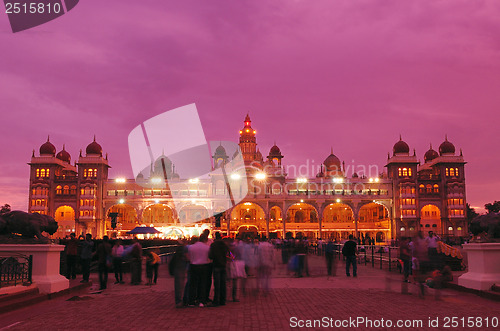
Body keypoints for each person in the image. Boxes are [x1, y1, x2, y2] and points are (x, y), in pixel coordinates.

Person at [187, 233, 211, 307]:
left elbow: (189, 257)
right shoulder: (207, 247)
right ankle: (202, 301)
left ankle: (191, 301)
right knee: (203, 284)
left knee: (193, 284)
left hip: (193, 266)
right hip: (204, 266)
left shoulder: (191, 247)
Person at [209, 232, 229, 306]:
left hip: (216, 264)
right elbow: (229, 254)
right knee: (223, 283)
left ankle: (216, 300)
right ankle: (223, 300)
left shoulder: (213, 245)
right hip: (223, 264)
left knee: (217, 284)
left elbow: (210, 256)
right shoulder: (224, 245)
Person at [169, 240, 188, 308]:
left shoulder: (176, 256)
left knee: (179, 286)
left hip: (178, 270)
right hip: (180, 270)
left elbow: (171, 263)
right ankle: (180, 301)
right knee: (180, 286)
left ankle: (179, 301)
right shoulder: (181, 257)